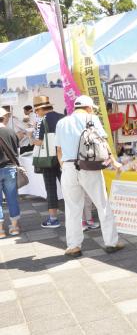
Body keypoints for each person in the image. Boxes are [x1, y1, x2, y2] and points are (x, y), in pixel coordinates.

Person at [55, 95, 124, 257]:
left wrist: (65, 166)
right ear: (89, 108)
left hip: (69, 167)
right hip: (89, 166)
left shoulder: (61, 122)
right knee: (102, 204)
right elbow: (103, 143)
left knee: (72, 208)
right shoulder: (91, 118)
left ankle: (74, 246)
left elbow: (58, 150)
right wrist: (114, 162)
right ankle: (111, 242)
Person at [32, 96, 64, 229]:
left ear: (40, 109)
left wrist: (31, 138)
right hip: (63, 158)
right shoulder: (63, 117)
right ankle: (80, 218)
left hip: (48, 160)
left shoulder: (41, 121)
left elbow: (39, 142)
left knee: (51, 189)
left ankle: (53, 219)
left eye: (36, 110)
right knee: (69, 188)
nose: (36, 113)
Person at [0, 107, 21, 237]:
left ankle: (0, 230)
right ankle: (14, 228)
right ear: (4, 118)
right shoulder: (11, 132)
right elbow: (16, 151)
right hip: (10, 168)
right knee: (12, 198)